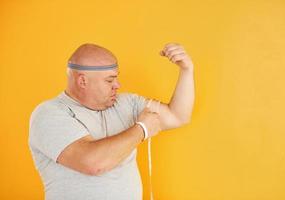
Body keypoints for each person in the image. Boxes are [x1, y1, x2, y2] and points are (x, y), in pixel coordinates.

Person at [29, 42, 195, 200]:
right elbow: (93, 163)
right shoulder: (49, 113)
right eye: (109, 80)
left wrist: (186, 70)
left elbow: (178, 116)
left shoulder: (126, 103)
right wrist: (141, 129)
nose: (118, 85)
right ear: (82, 81)